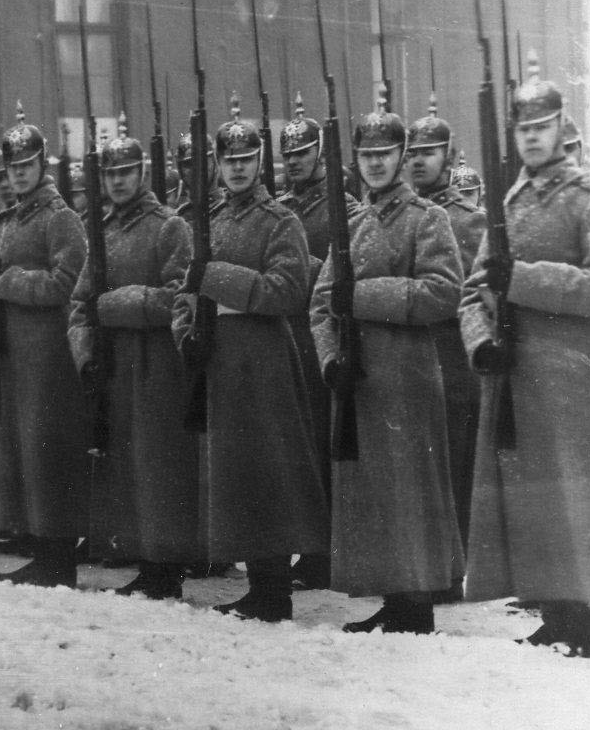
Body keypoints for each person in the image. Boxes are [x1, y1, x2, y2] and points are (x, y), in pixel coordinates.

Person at [459, 79, 590, 658]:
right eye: (523, 129)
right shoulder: (507, 205)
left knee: (578, 499)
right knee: (537, 499)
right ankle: (555, 613)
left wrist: (523, 279)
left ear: (561, 129)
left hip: (577, 376)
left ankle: (583, 623)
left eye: (541, 127)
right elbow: (473, 289)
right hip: (516, 373)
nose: (532, 138)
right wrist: (480, 343)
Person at [310, 107, 465, 635]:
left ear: (402, 156)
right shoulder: (349, 222)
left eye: (384, 154)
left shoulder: (427, 218)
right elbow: (321, 301)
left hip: (407, 374)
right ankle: (393, 596)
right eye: (366, 156)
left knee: (410, 487)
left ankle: (416, 601)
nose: (375, 164)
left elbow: (444, 293)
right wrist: (330, 357)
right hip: (358, 376)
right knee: (374, 488)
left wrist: (365, 296)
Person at [177, 105, 327, 623]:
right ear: (216, 164)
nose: (237, 169)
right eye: (228, 160)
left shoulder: (280, 220)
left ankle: (274, 590)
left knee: (271, 473)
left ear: (261, 161)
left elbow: (287, 290)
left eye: (246, 159)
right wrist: (185, 331)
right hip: (219, 356)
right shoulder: (208, 219)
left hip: (264, 359)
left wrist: (216, 276)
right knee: (237, 473)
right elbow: (185, 289)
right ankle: (258, 585)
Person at [69, 128, 200, 600]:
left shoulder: (169, 226)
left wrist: (123, 304)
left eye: (127, 172)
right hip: (115, 363)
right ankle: (146, 559)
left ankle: (167, 565)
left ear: (143, 173)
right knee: (127, 462)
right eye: (111, 173)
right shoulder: (99, 231)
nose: (119, 181)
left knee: (159, 462)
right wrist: (85, 354)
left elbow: (181, 297)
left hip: (157, 363)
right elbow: (81, 301)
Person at [0, 105, 92, 586]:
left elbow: (65, 284)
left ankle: (58, 554)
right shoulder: (10, 220)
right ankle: (39, 543)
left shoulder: (61, 219)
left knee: (49, 449)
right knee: (24, 448)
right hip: (17, 352)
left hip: (50, 353)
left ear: (43, 166)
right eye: (12, 168)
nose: (19, 175)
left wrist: (8, 283)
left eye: (26, 166)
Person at [404, 101, 484, 548]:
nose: (418, 160)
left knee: (453, 464)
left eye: (429, 152)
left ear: (449, 159)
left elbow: (474, 296)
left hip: (451, 358)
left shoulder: (467, 221)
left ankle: (454, 565)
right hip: (409, 356)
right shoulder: (404, 214)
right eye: (413, 152)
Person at [276, 95, 344, 591]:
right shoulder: (280, 208)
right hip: (286, 334)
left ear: (321, 153)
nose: (295, 161)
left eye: (303, 152)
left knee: (323, 440)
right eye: (289, 154)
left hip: (321, 333)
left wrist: (311, 272)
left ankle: (325, 551)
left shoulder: (343, 205)